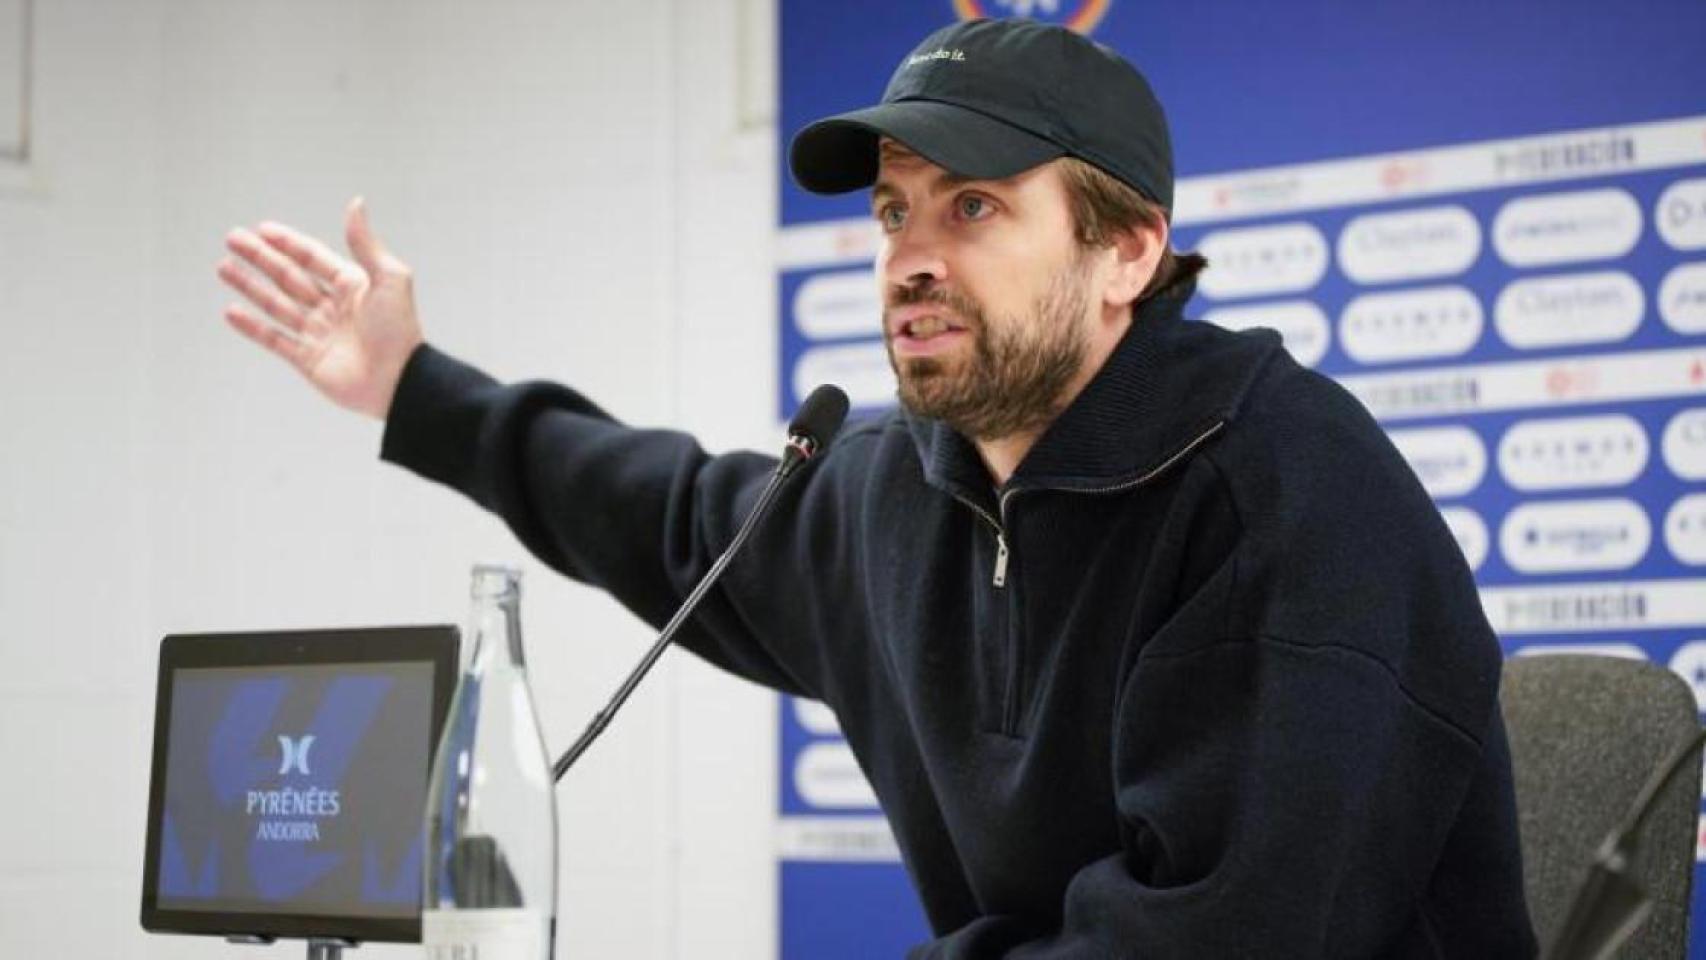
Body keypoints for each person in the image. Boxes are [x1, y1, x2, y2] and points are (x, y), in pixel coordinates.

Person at [216, 18, 1536, 959]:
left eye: (971, 208)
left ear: (1126, 252)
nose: (908, 255)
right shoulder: (894, 493)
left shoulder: (1279, 494)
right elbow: (670, 521)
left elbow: (1218, 934)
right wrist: (408, 386)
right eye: (894, 211)